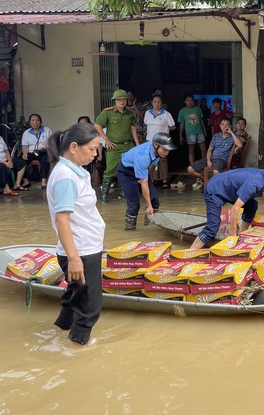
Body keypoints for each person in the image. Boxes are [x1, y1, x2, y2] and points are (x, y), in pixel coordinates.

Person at [46, 122, 105, 345]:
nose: (95, 154)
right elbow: (62, 220)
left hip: (83, 248)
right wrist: (74, 259)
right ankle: (75, 351)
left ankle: (59, 336)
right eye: (91, 149)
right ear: (73, 147)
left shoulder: (74, 172)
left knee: (74, 297)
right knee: (89, 307)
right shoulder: (66, 177)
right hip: (80, 251)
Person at [188, 166, 264, 250]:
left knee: (252, 205)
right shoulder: (255, 183)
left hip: (229, 190)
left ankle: (242, 235)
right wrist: (233, 239)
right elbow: (235, 209)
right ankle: (190, 252)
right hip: (215, 190)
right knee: (213, 227)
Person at [117, 133, 177, 231]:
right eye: (165, 149)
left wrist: (151, 203)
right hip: (126, 173)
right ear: (155, 145)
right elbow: (144, 183)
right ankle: (130, 230)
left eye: (168, 150)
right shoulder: (143, 156)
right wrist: (148, 206)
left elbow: (148, 170)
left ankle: (150, 228)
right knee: (134, 204)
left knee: (155, 201)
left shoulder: (157, 152)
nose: (167, 152)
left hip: (141, 169)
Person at [94, 89, 139, 202]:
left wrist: (137, 143)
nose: (122, 102)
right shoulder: (107, 112)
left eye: (124, 99)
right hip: (113, 146)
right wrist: (106, 139)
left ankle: (122, 192)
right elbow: (97, 125)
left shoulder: (130, 113)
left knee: (128, 168)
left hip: (127, 145)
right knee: (110, 170)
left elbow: (133, 128)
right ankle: (104, 194)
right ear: (115, 101)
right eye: (119, 100)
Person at [187, 117, 241, 190]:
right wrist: (209, 160)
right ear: (220, 126)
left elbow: (240, 145)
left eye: (227, 125)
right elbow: (210, 150)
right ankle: (206, 180)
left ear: (230, 126)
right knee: (190, 169)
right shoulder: (216, 136)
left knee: (216, 171)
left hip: (221, 159)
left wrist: (231, 132)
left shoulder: (233, 136)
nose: (224, 126)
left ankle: (219, 188)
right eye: (222, 124)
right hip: (212, 158)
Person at [143, 94, 176, 187]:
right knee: (151, 159)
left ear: (162, 103)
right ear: (151, 103)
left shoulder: (166, 114)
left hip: (163, 141)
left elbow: (172, 126)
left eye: (159, 102)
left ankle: (164, 179)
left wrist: (165, 132)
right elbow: (146, 123)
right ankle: (152, 179)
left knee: (163, 159)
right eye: (155, 102)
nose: (157, 104)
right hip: (150, 140)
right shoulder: (147, 113)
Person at [0, 120, 26, 195]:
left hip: (5, 159)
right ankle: (6, 188)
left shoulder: (0, 138)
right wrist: (4, 162)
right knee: (1, 166)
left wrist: (9, 160)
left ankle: (17, 184)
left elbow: (6, 150)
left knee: (20, 162)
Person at [20, 113, 53, 189]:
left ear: (40, 122)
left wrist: (46, 147)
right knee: (21, 160)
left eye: (37, 120)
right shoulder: (26, 133)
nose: (35, 122)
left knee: (46, 159)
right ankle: (25, 180)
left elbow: (52, 143)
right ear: (30, 122)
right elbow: (25, 146)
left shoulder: (47, 130)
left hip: (44, 151)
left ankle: (43, 181)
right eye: (33, 120)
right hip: (32, 152)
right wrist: (25, 154)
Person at [178, 94, 207, 167]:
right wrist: (180, 135)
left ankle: (204, 165)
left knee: (203, 150)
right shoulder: (182, 111)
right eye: (188, 100)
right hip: (190, 133)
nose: (190, 102)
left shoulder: (197, 109)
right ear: (184, 102)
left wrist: (204, 130)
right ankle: (192, 167)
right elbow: (182, 124)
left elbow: (201, 120)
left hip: (200, 131)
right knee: (191, 151)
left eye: (191, 100)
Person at [77, 116, 102, 186]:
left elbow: (99, 144)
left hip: (92, 152)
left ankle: (89, 181)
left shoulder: (94, 132)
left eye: (85, 123)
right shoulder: (77, 133)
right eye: (81, 124)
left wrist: (100, 154)